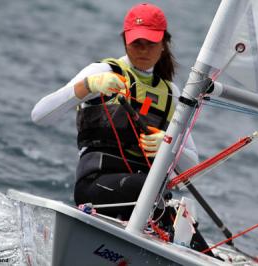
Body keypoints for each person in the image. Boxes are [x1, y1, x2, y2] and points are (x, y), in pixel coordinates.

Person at [31, 3, 198, 221]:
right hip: (95, 185)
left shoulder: (171, 94)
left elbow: (191, 172)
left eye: (151, 43)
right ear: (125, 41)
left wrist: (170, 145)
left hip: (146, 198)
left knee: (182, 217)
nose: (144, 49)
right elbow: (39, 115)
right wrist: (87, 86)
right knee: (150, 191)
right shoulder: (102, 71)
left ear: (164, 44)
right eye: (137, 43)